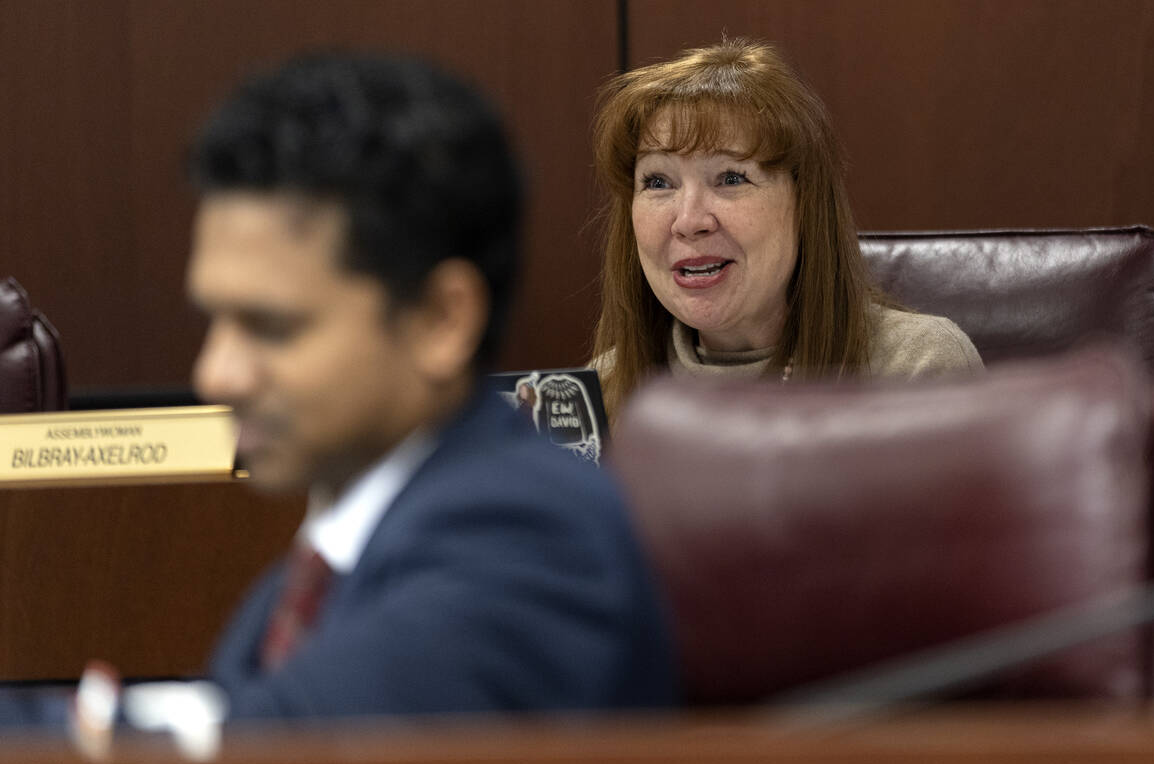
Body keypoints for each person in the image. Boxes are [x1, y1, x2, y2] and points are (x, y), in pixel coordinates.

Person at [183, 53, 677, 720]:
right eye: (214, 319)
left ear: (442, 320)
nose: (215, 373)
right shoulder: (313, 573)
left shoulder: (529, 538)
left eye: (271, 327)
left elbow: (261, 761)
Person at [590, 39, 983, 421]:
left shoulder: (915, 369)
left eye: (730, 177)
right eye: (658, 183)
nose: (690, 221)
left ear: (805, 206)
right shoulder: (603, 389)